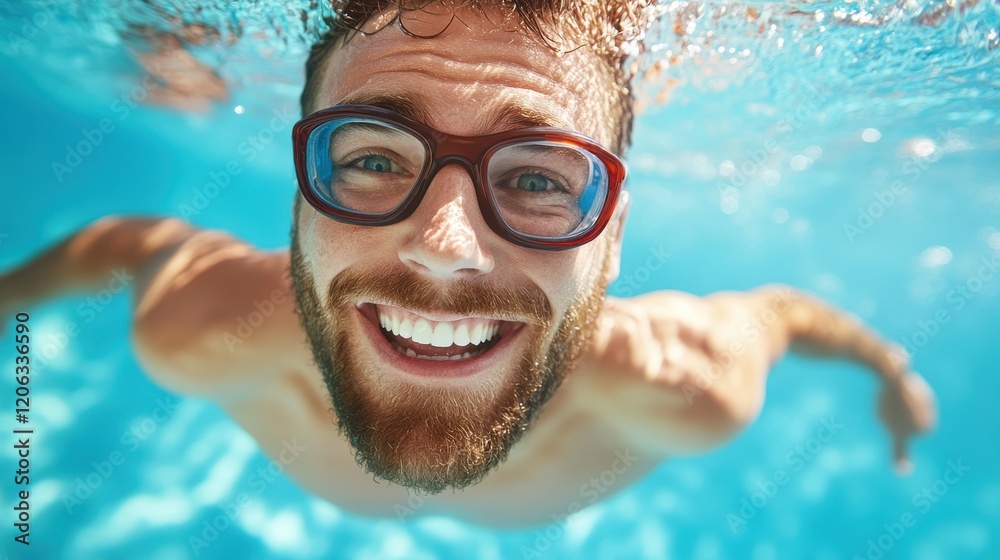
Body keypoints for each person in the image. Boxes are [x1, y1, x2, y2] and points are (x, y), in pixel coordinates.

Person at [0, 0, 935, 527]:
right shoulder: (202, 331)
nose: (443, 249)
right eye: (371, 158)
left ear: (612, 232)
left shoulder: (684, 385)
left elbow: (779, 314)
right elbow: (127, 246)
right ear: (298, 197)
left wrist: (888, 371)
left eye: (536, 179)